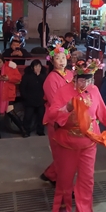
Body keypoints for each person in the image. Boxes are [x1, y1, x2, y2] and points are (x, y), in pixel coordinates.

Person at [44, 57, 106, 212]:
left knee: (87, 180)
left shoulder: (94, 90)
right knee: (65, 179)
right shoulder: (64, 91)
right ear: (75, 78)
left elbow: (102, 112)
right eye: (81, 79)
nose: (84, 83)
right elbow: (52, 114)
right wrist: (67, 108)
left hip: (88, 142)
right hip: (67, 143)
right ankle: (62, 208)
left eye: (88, 80)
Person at [40, 45, 74, 187]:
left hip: (71, 117)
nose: (61, 61)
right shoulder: (51, 79)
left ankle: (51, 174)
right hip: (57, 119)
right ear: (52, 61)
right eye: (57, 58)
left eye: (63, 58)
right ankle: (63, 184)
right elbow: (55, 104)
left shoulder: (71, 74)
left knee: (68, 153)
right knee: (61, 152)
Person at [20, 59, 47, 136]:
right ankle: (26, 131)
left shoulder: (44, 75)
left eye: (39, 66)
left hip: (41, 100)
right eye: (36, 66)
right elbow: (22, 87)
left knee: (41, 116)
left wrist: (39, 76)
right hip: (30, 101)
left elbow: (46, 85)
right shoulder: (27, 76)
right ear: (32, 68)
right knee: (28, 117)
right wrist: (25, 97)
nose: (38, 68)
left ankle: (40, 131)